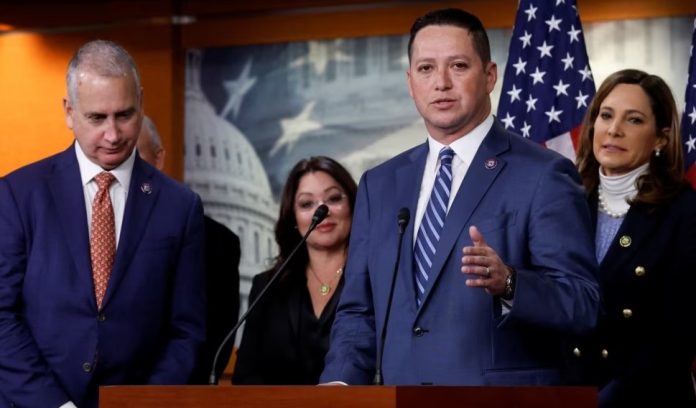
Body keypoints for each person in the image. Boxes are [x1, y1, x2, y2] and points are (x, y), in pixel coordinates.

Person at [319, 8, 599, 386]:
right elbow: (357, 312)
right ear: (410, 82)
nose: (441, 83)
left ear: (489, 76)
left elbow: (583, 303)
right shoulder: (379, 185)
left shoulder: (544, 174)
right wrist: (339, 386)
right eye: (426, 69)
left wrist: (510, 283)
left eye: (458, 66)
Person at [0, 40, 206, 407]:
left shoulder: (180, 206)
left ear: (141, 101)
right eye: (97, 118)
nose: (113, 134)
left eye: (124, 115)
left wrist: (141, 404)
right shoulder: (18, 195)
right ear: (69, 112)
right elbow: (2, 316)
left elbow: (186, 331)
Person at [570, 69, 696, 407]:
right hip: (569, 390)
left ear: (661, 138)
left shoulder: (684, 213)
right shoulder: (566, 202)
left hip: (646, 397)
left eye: (634, 119)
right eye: (606, 115)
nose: (614, 129)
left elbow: (677, 337)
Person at [233, 156, 357, 384]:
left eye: (333, 198)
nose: (322, 210)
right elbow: (246, 377)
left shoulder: (376, 280)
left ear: (353, 206)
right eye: (306, 203)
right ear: (293, 216)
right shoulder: (267, 287)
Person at [136, 115, 241, 384]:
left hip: (176, 393)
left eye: (134, 157)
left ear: (158, 159)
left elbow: (212, 343)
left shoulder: (217, 242)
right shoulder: (75, 227)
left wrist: (150, 397)